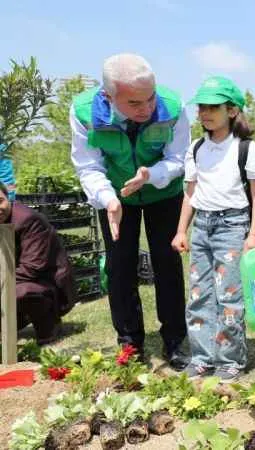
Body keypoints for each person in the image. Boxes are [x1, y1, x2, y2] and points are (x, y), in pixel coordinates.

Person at [70, 53, 189, 369]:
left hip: (163, 191)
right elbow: (88, 166)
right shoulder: (84, 113)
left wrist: (151, 174)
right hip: (116, 197)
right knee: (120, 265)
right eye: (135, 103)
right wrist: (108, 199)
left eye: (150, 98)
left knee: (167, 263)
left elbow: (178, 160)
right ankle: (130, 344)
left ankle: (175, 341)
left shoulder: (173, 107)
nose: (147, 109)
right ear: (108, 96)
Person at [171, 77, 255, 383]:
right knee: (198, 294)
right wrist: (181, 230)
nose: (205, 113)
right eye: (202, 107)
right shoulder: (196, 148)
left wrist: (253, 234)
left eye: (214, 107)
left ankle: (230, 359)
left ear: (233, 110)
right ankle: (201, 358)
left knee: (229, 296)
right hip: (201, 227)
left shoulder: (246, 149)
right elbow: (190, 192)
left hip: (232, 226)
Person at [0, 182, 75, 344]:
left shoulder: (28, 221)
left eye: (0, 201)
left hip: (46, 283)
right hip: (11, 280)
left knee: (21, 293)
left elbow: (31, 269)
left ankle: (49, 325)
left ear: (8, 198)